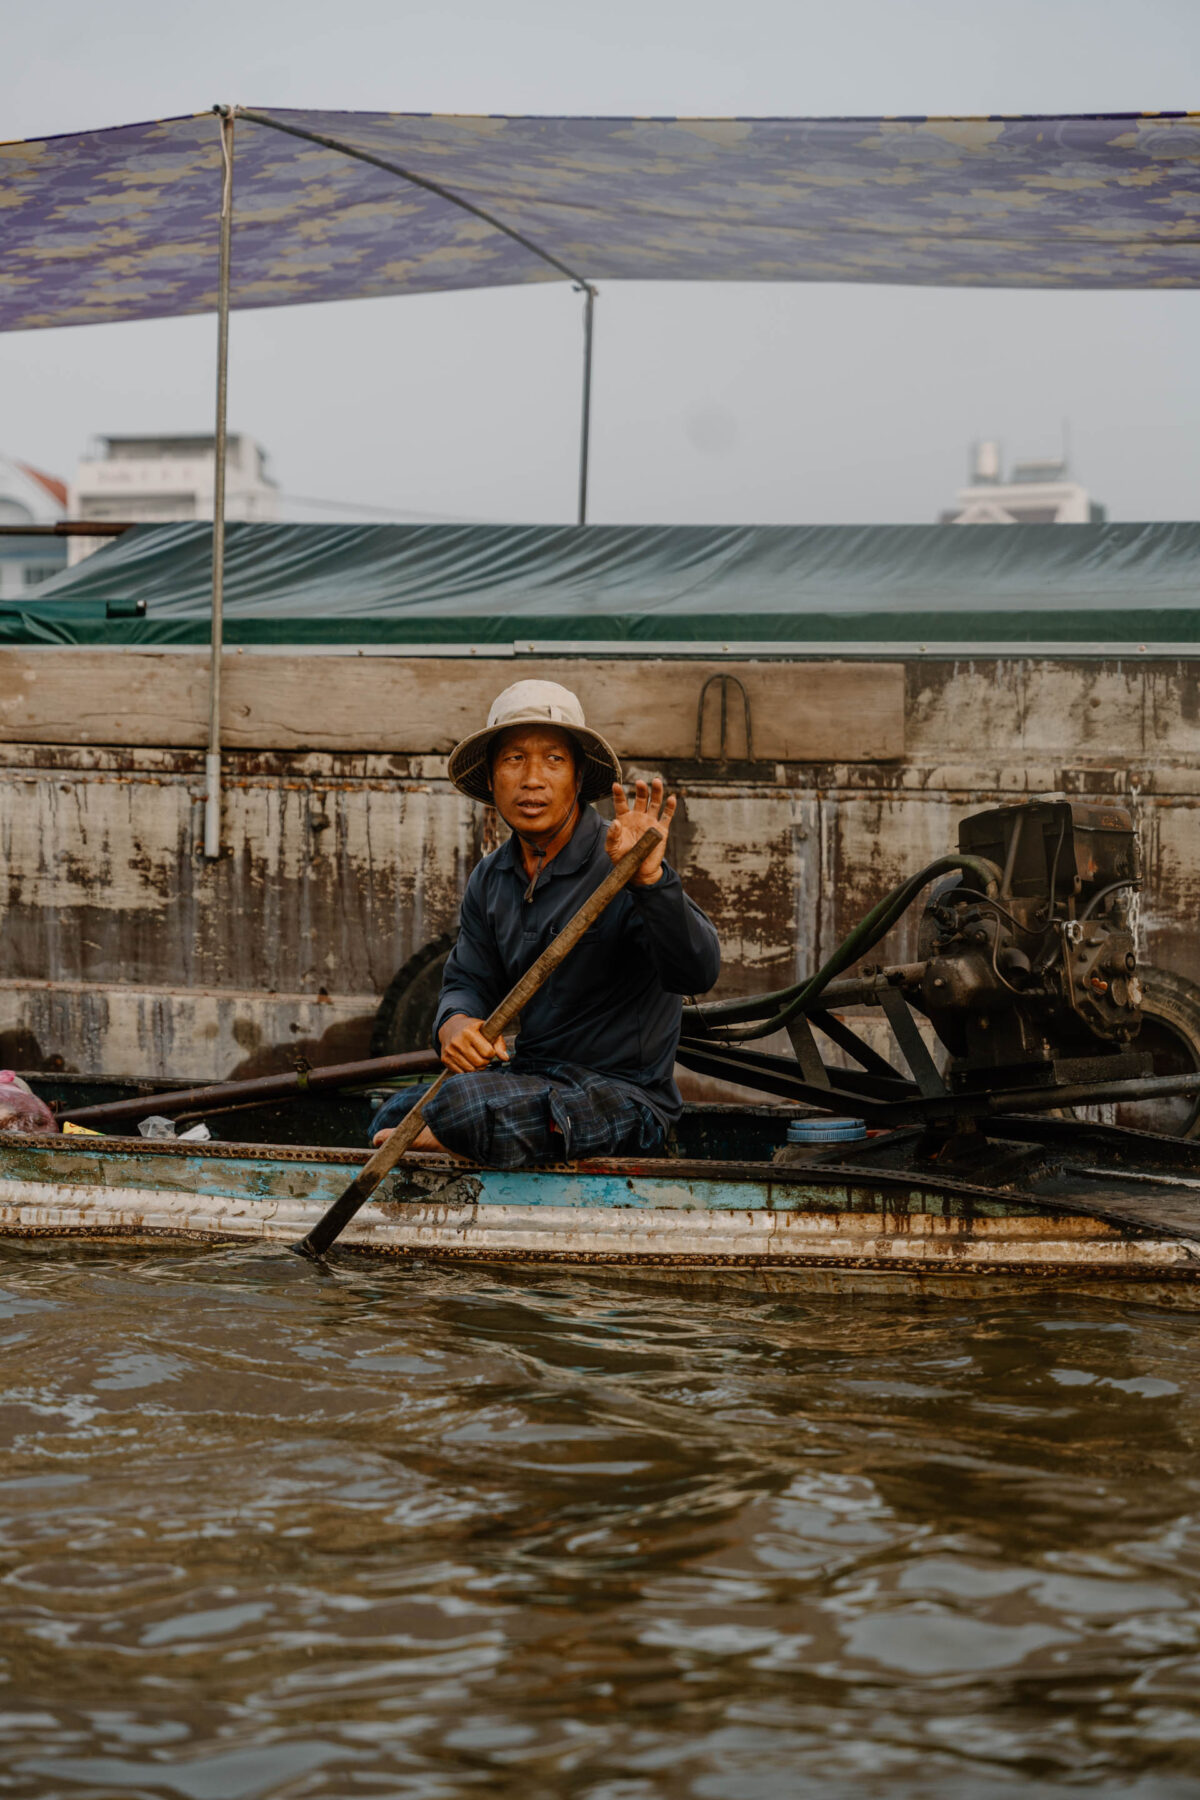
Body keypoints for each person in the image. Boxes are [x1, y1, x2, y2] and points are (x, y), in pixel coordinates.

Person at [371, 679, 721, 1167]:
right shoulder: (491, 878)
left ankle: (464, 1137)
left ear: (577, 778)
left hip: (622, 1096)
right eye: (514, 759)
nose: (532, 779)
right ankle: (466, 1136)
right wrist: (455, 1025)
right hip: (532, 1079)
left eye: (553, 760)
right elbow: (467, 980)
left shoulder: (623, 862)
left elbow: (696, 971)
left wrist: (650, 878)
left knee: (459, 1106)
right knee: (394, 1108)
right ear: (492, 780)